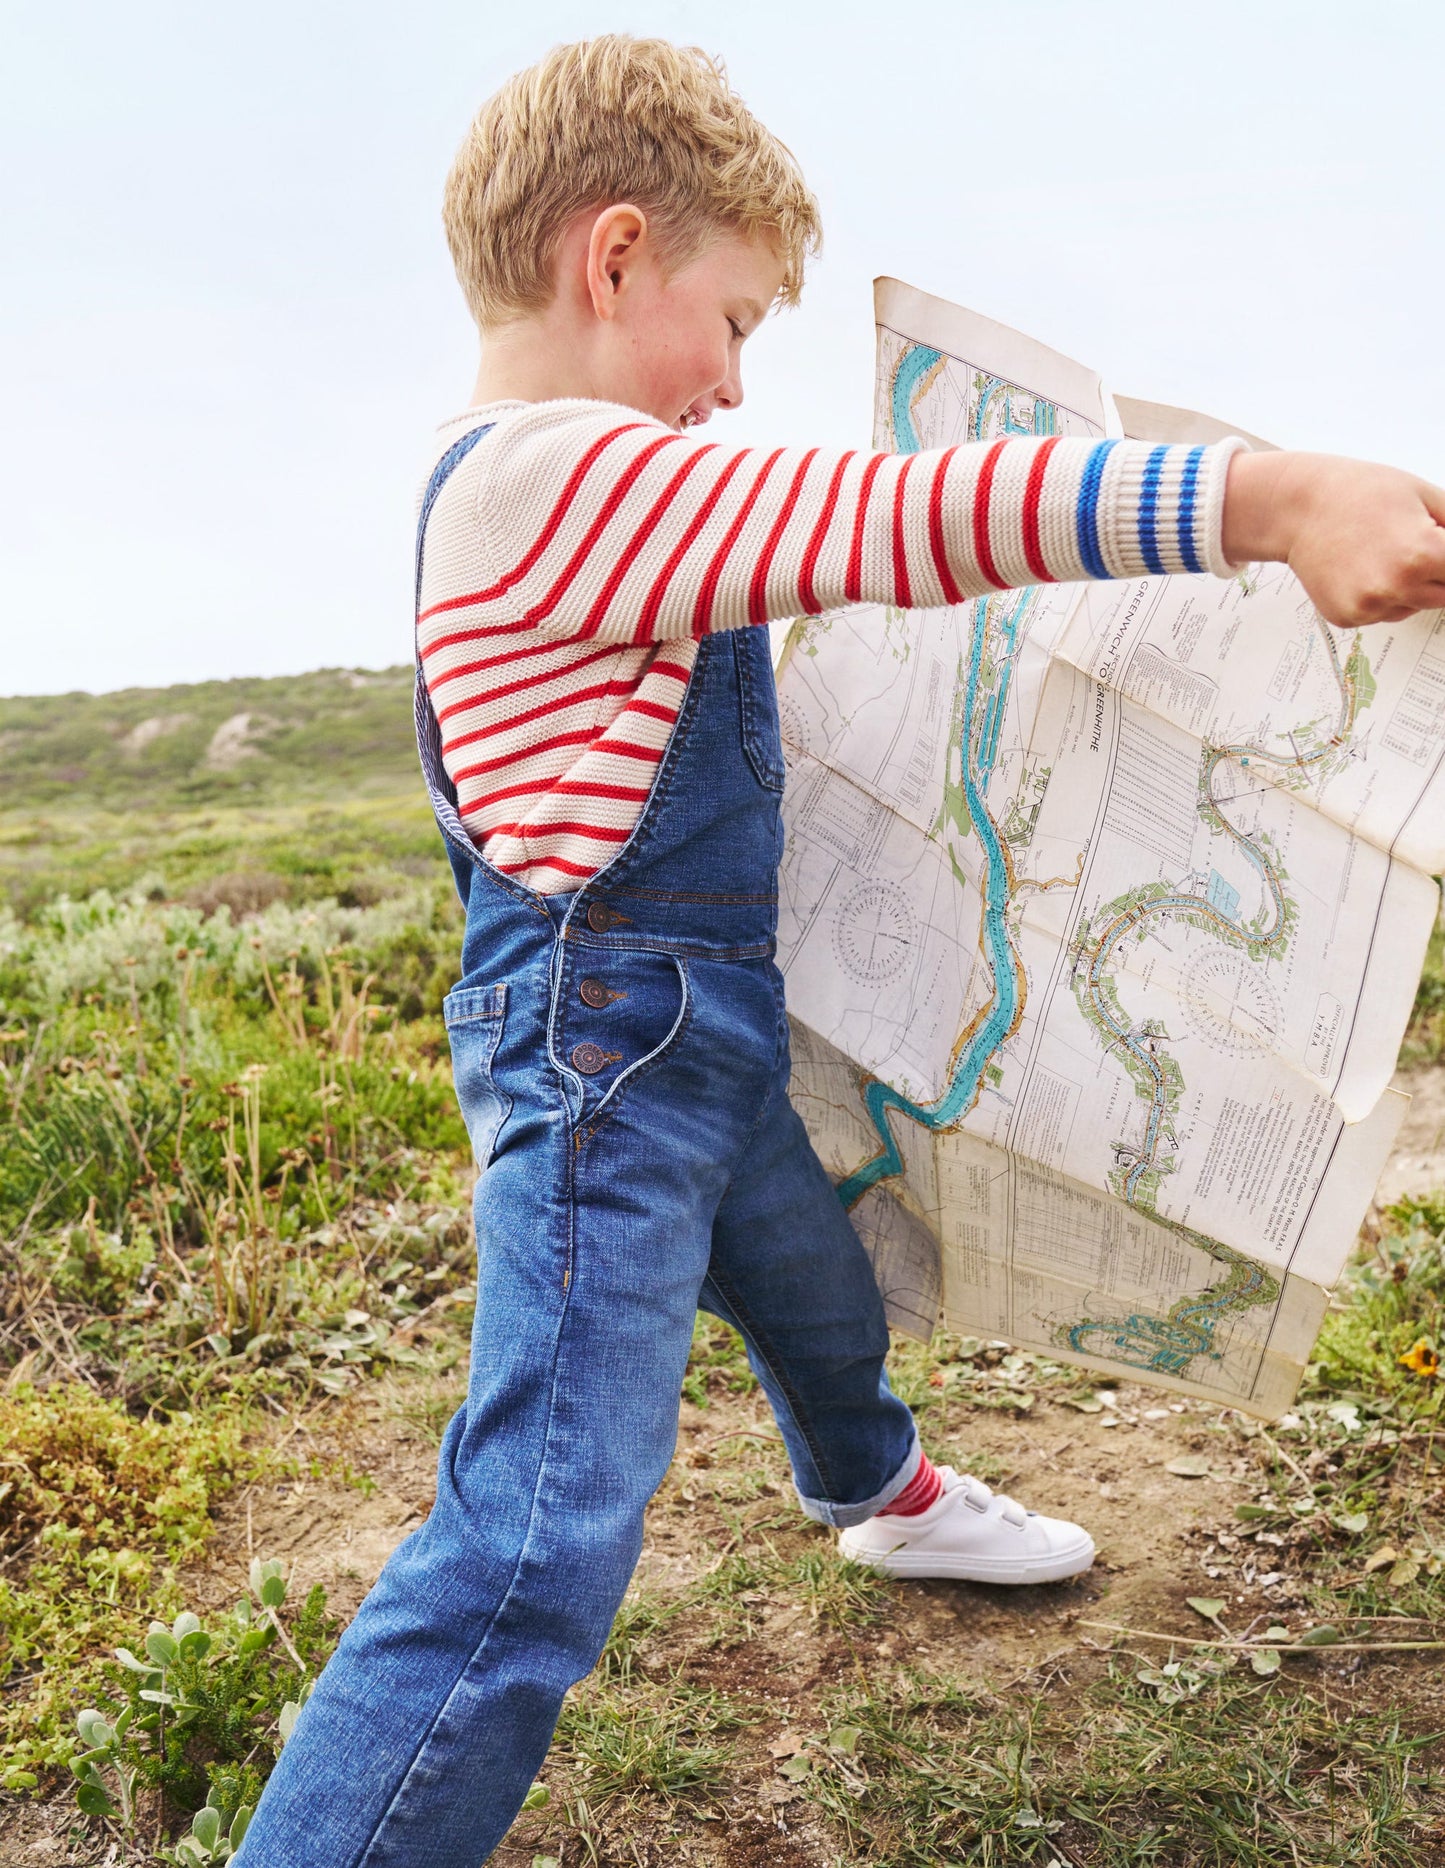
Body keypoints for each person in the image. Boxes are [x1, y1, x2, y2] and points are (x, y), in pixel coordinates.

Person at [237, 35, 1445, 1867]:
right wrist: (1266, 503)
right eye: (731, 323)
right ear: (612, 256)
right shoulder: (553, 476)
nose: (733, 383)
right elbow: (894, 520)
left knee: (810, 1289)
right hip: (606, 1060)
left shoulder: (562, 487)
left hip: (685, 1027)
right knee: (533, 1542)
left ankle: (879, 1491)